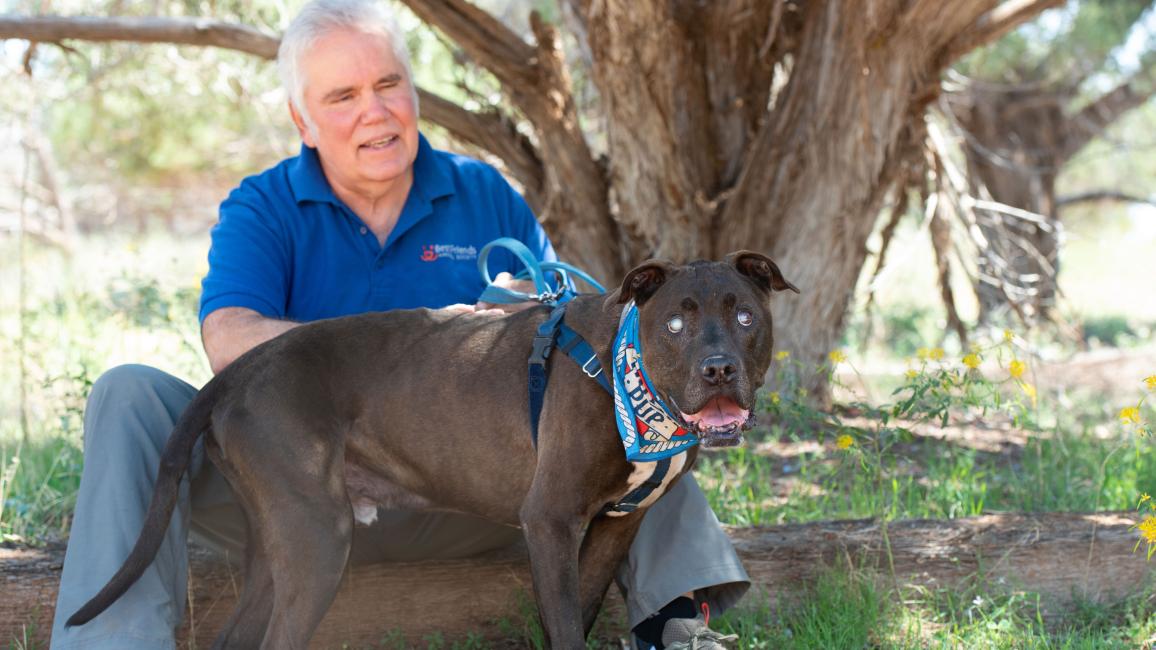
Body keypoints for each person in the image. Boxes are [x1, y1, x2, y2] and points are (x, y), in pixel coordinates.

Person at [49, 1, 749, 648]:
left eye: (388, 84)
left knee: (635, 398)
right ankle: (114, 641)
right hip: (290, 482)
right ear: (303, 120)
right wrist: (377, 361)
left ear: (414, 92)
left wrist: (518, 321)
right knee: (129, 392)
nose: (374, 112)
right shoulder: (264, 206)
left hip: (471, 489)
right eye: (343, 96)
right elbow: (228, 340)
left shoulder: (482, 193)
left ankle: (677, 623)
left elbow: (570, 347)